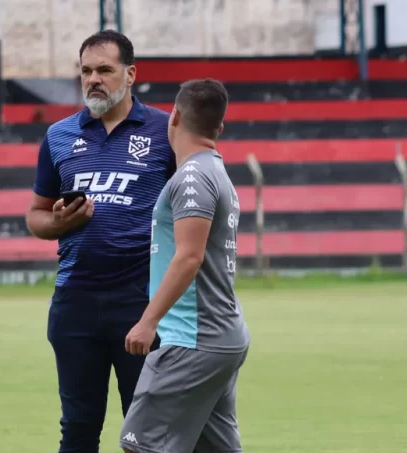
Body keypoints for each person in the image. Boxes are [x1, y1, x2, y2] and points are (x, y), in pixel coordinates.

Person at [25, 29, 176, 453]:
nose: (94, 79)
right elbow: (36, 215)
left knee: (144, 432)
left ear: (130, 74)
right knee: (77, 428)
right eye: (86, 70)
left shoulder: (167, 130)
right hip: (75, 301)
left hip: (141, 301)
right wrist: (59, 224)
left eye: (105, 70)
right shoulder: (58, 135)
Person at [119, 78, 251, 453]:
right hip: (221, 337)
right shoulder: (215, 171)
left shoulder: (193, 176)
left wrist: (148, 321)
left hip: (194, 340)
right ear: (219, 128)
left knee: (139, 445)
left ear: (173, 116)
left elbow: (189, 256)